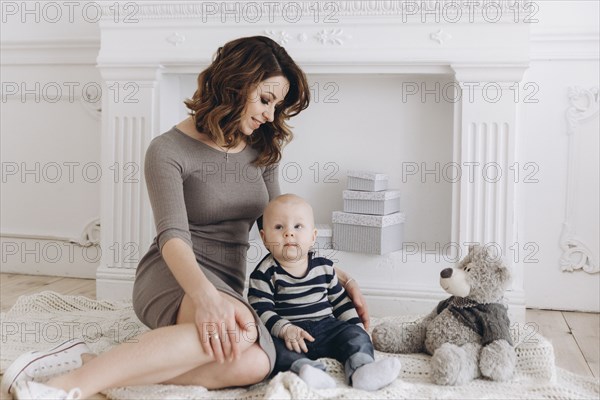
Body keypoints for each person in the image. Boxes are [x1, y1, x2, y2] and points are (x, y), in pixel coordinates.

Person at [2, 36, 370, 399]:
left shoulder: (263, 149)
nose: (269, 115)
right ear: (235, 84)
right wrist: (204, 295)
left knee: (256, 363)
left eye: (276, 106)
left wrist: (331, 272)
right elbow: (172, 236)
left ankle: (93, 363)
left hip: (226, 280)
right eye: (265, 100)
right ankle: (62, 387)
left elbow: (280, 228)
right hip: (173, 275)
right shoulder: (167, 149)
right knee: (242, 331)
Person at [249, 194, 401, 391]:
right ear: (264, 237)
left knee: (355, 335)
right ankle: (307, 371)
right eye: (279, 227)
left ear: (313, 236)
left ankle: (362, 369)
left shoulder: (324, 267)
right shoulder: (264, 274)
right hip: (290, 334)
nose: (289, 233)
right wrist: (285, 329)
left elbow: (340, 302)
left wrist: (357, 327)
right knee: (271, 349)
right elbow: (260, 311)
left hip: (327, 328)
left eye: (298, 226)